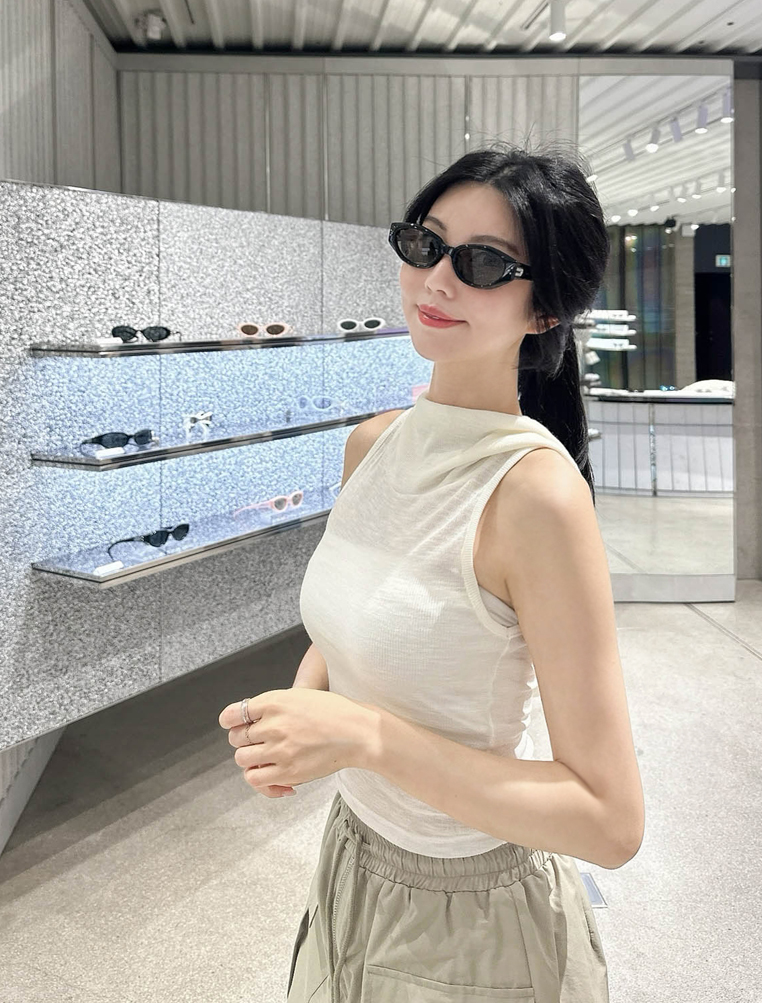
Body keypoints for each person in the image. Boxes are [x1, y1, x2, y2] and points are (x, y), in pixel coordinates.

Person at [231, 144, 645, 1002]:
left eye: (483, 263)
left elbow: (609, 821)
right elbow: (352, 624)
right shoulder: (373, 444)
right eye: (425, 244)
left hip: (478, 915)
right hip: (351, 859)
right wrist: (302, 713)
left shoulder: (534, 496)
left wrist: (365, 739)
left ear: (545, 309)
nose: (436, 280)